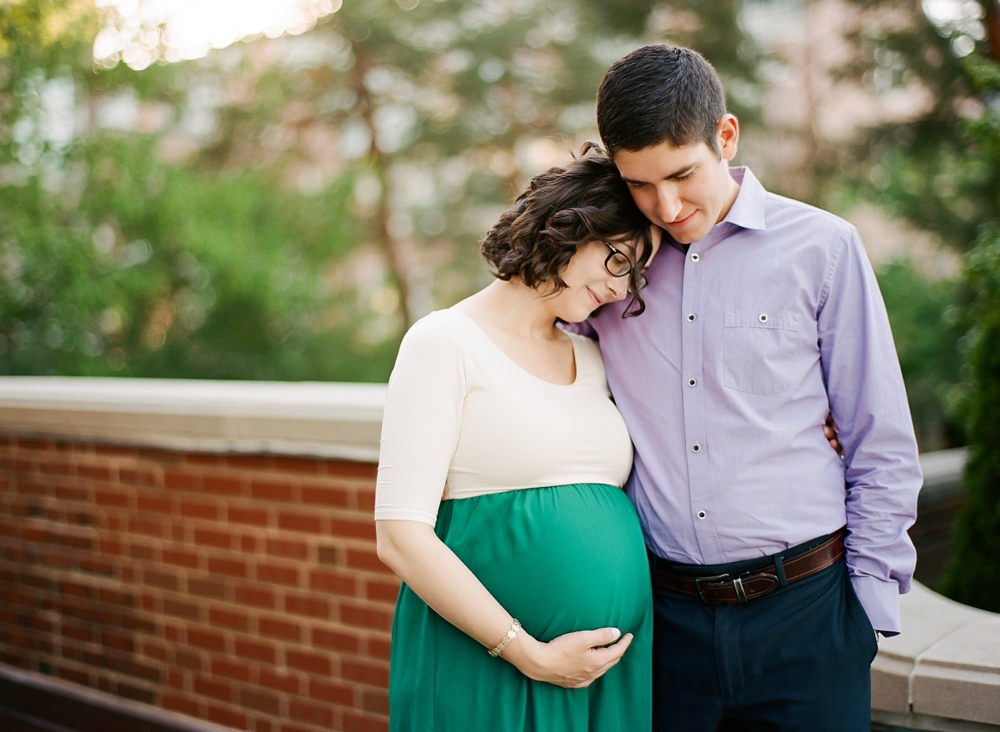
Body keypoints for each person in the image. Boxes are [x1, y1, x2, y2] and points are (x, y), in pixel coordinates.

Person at [581, 45, 922, 731]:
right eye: (639, 184)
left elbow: (878, 438)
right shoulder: (608, 271)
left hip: (808, 619)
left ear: (726, 137)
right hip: (665, 627)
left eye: (682, 174)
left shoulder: (824, 248)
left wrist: (866, 607)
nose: (666, 205)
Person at [374, 144, 659, 731]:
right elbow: (400, 537)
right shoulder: (443, 342)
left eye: (636, 273)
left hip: (606, 680)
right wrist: (531, 654)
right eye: (617, 260)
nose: (622, 287)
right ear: (568, 227)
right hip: (489, 667)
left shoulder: (596, 355)